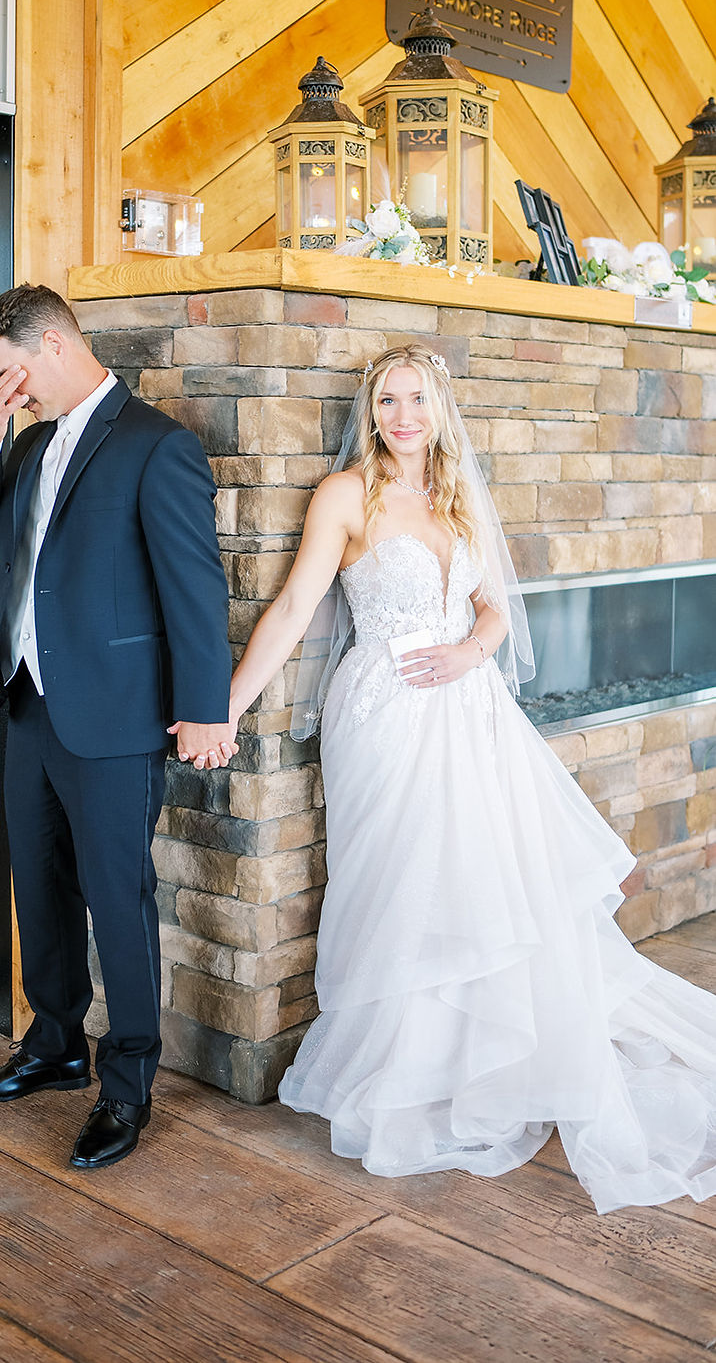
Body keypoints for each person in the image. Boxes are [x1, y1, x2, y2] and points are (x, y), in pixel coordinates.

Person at [210, 341, 716, 1214]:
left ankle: (483, 1058)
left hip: (471, 707)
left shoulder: (458, 497)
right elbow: (296, 607)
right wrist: (225, 707)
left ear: (440, 409)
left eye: (415, 399)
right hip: (386, 711)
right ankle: (406, 1066)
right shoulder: (346, 496)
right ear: (370, 414)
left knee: (484, 879)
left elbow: (493, 610)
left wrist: (471, 652)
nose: (401, 416)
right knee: (405, 880)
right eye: (386, 401)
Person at [0, 283, 235, 1169]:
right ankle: (55, 1046)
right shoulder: (26, 443)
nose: (8, 390)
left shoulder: (159, 446)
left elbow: (195, 588)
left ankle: (128, 1085)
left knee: (118, 900)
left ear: (53, 347)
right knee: (37, 887)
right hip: (30, 703)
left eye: (10, 375)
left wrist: (205, 709)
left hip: (114, 716)